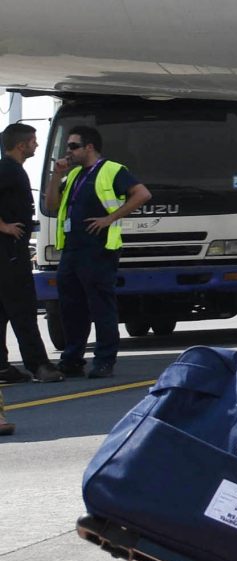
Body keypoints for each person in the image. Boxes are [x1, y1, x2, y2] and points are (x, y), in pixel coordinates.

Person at [42, 125, 150, 380]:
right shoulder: (74, 175)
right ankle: (72, 359)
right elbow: (52, 206)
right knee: (70, 306)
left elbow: (142, 194)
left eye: (73, 147)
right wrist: (57, 176)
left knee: (101, 306)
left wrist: (109, 218)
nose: (68, 152)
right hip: (71, 250)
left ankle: (104, 360)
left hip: (98, 249)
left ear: (89, 147)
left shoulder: (112, 170)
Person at [0, 122, 60, 383]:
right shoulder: (8, 170)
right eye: (33, 140)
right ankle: (39, 366)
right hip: (9, 253)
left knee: (2, 310)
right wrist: (5, 227)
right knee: (23, 308)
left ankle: (2, 367)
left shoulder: (12, 170)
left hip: (8, 252)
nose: (36, 144)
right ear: (21, 144)